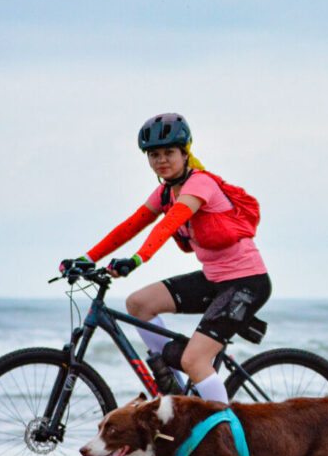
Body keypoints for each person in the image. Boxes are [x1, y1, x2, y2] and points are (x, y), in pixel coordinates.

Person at [60, 113, 270, 405]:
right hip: (214, 279)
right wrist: (87, 258)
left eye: (169, 152)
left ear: (185, 154)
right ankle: (176, 390)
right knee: (138, 304)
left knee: (195, 360)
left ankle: (224, 431)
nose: (162, 160)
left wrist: (135, 261)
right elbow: (130, 226)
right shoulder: (165, 192)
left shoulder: (201, 184)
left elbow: (168, 224)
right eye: (154, 154)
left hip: (246, 282)